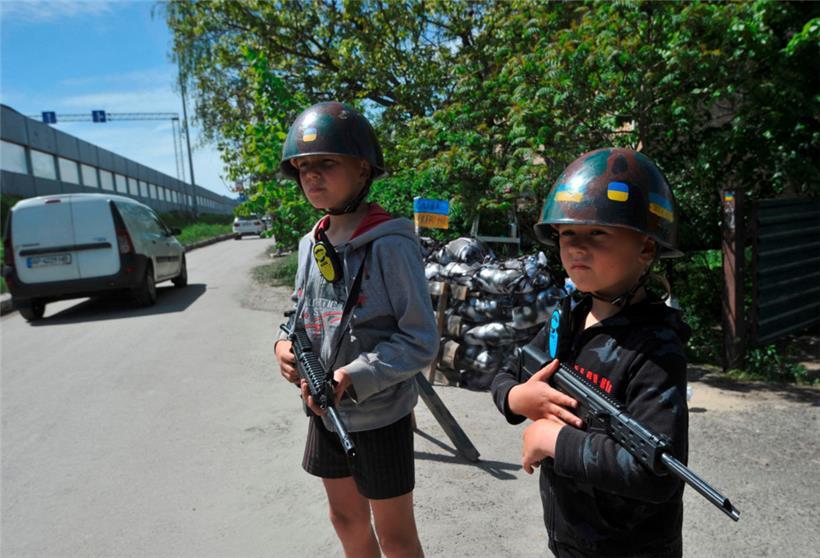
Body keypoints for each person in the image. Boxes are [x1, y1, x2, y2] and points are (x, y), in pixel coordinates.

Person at [491, 147, 691, 557]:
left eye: (597, 233)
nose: (577, 248)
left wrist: (553, 439)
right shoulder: (567, 319)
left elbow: (657, 474)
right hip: (570, 537)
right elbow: (508, 372)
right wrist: (517, 398)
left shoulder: (656, 349)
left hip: (632, 548)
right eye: (567, 234)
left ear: (647, 248)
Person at [273, 101, 439, 558]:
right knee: (344, 519)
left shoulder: (390, 244)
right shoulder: (312, 242)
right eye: (303, 168)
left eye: (326, 163)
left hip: (380, 413)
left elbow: (421, 339)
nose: (311, 176)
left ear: (363, 168)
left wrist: (356, 375)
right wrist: (284, 344)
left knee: (395, 536)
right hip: (325, 411)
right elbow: (298, 312)